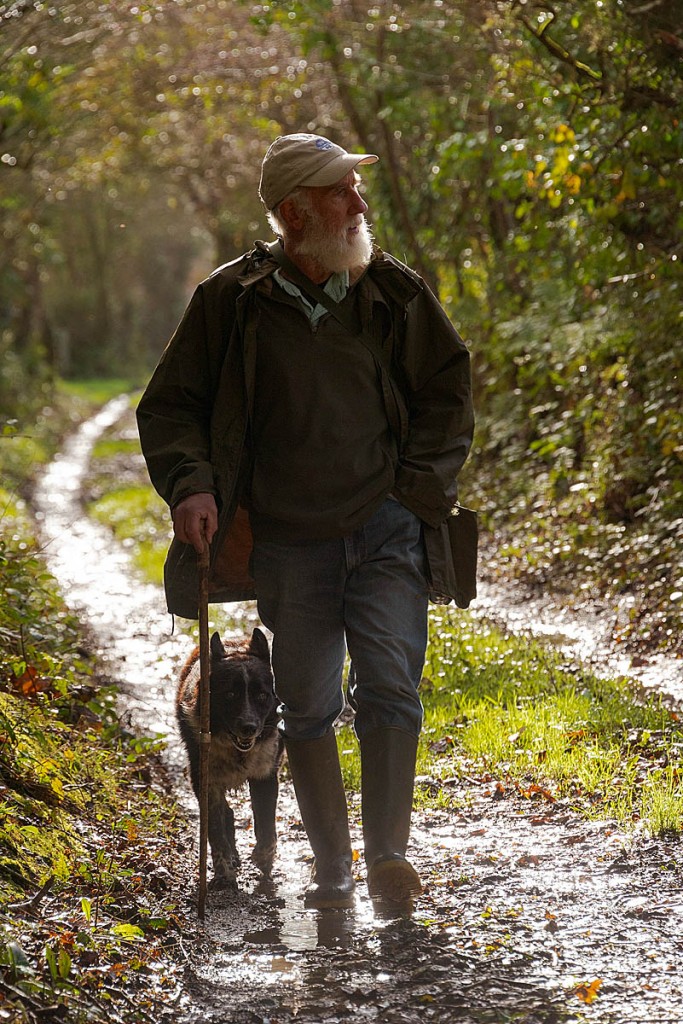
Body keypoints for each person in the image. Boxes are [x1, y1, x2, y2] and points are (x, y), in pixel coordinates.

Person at [137, 133, 474, 912]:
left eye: (356, 189)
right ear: (294, 213)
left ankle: (388, 857)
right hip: (287, 540)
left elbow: (446, 390)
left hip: (388, 526)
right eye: (341, 193)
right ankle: (333, 868)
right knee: (311, 702)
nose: (359, 205)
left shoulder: (392, 290)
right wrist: (190, 486)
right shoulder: (230, 300)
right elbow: (172, 406)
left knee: (392, 684)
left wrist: (419, 490)